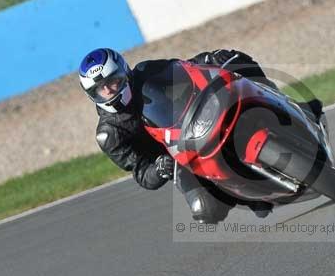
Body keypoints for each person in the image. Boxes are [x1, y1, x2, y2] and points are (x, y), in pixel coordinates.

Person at [78, 47, 322, 224]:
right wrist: (159, 168)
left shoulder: (145, 72)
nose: (110, 90)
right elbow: (141, 173)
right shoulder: (109, 135)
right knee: (205, 210)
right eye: (101, 88)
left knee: (237, 61)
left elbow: (183, 69)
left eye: (114, 81)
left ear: (125, 73)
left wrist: (210, 60)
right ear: (93, 94)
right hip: (177, 157)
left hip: (195, 120)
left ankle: (288, 107)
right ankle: (251, 197)